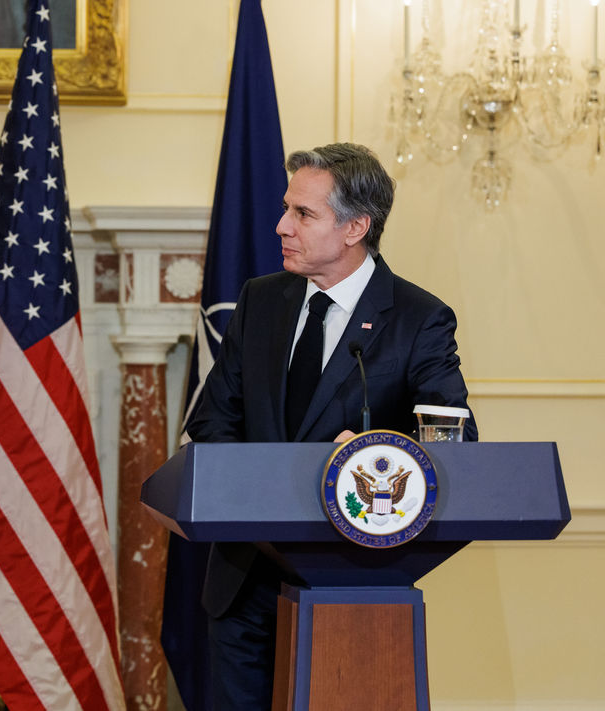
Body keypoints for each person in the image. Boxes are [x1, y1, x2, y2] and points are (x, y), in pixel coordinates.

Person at [184, 142, 477, 710]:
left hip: (352, 582)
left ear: (355, 228)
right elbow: (214, 418)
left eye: (302, 214)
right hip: (244, 577)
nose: (281, 226)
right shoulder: (261, 299)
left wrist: (376, 453)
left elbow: (455, 443)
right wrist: (258, 500)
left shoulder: (419, 320)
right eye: (286, 209)